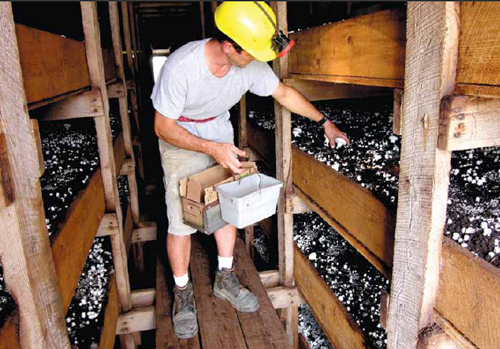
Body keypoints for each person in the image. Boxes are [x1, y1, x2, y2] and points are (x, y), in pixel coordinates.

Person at [151, 1, 350, 339]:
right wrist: (212, 149)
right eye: (252, 52)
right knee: (181, 218)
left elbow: (284, 93)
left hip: (217, 129)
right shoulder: (182, 66)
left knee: (226, 207)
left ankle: (225, 277)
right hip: (180, 134)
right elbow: (162, 126)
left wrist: (324, 121)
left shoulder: (249, 65)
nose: (260, 60)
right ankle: (183, 291)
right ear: (229, 46)